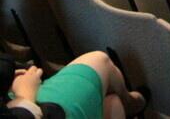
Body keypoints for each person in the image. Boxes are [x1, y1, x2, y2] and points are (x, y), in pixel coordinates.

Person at [0, 51, 145, 119]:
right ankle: (131, 103)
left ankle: (127, 103)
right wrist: (25, 96)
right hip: (24, 111)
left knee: (113, 104)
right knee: (100, 59)